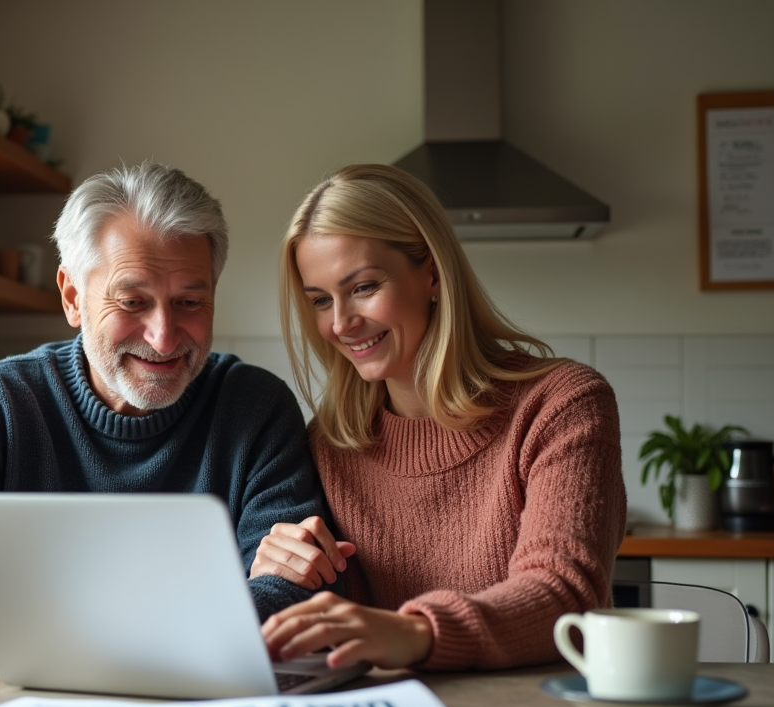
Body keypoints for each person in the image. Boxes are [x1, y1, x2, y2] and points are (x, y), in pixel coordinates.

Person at [0, 162, 333, 679]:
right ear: (73, 297)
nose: (165, 336)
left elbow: (292, 585)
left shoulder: (255, 409)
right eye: (132, 301)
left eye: (189, 301)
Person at [253, 164, 626, 672]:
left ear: (430, 273)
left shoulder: (561, 404)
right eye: (320, 300)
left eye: (362, 287)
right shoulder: (333, 443)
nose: (340, 323)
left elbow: (564, 595)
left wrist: (418, 632)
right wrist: (282, 572)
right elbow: (333, 636)